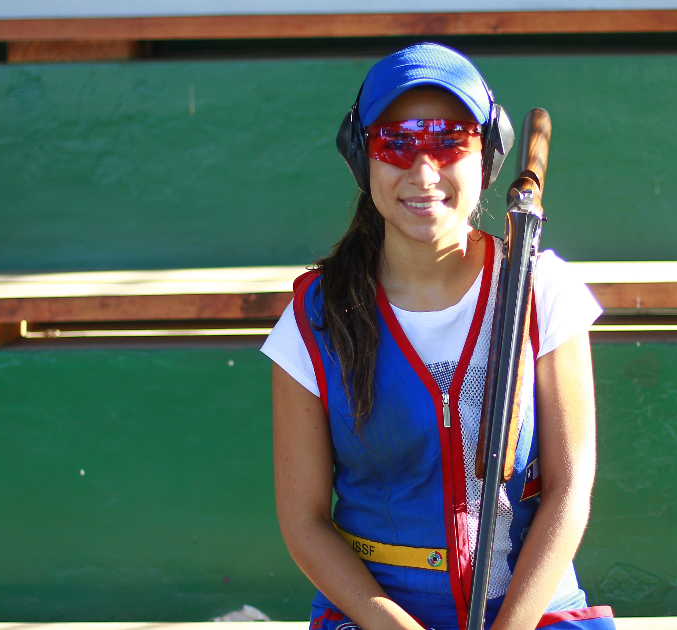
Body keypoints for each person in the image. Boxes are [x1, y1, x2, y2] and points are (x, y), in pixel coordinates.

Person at [262, 43, 612, 630]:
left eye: (449, 140)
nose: (423, 173)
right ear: (361, 156)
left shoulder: (542, 291)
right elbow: (303, 523)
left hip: (534, 618)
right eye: (395, 142)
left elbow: (569, 491)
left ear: (487, 152)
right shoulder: (313, 317)